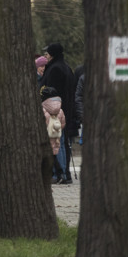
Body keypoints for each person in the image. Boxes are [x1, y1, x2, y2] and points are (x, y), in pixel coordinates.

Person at [40, 42, 77, 185]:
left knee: (56, 143)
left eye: (48, 54)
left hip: (54, 112)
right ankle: (64, 172)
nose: (46, 56)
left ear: (52, 55)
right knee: (62, 143)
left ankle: (59, 172)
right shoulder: (66, 68)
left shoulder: (54, 70)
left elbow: (50, 93)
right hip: (64, 111)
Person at [40, 86, 66, 160]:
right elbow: (63, 123)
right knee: (60, 148)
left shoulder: (43, 109)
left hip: (47, 134)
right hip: (58, 133)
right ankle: (62, 169)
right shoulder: (60, 110)